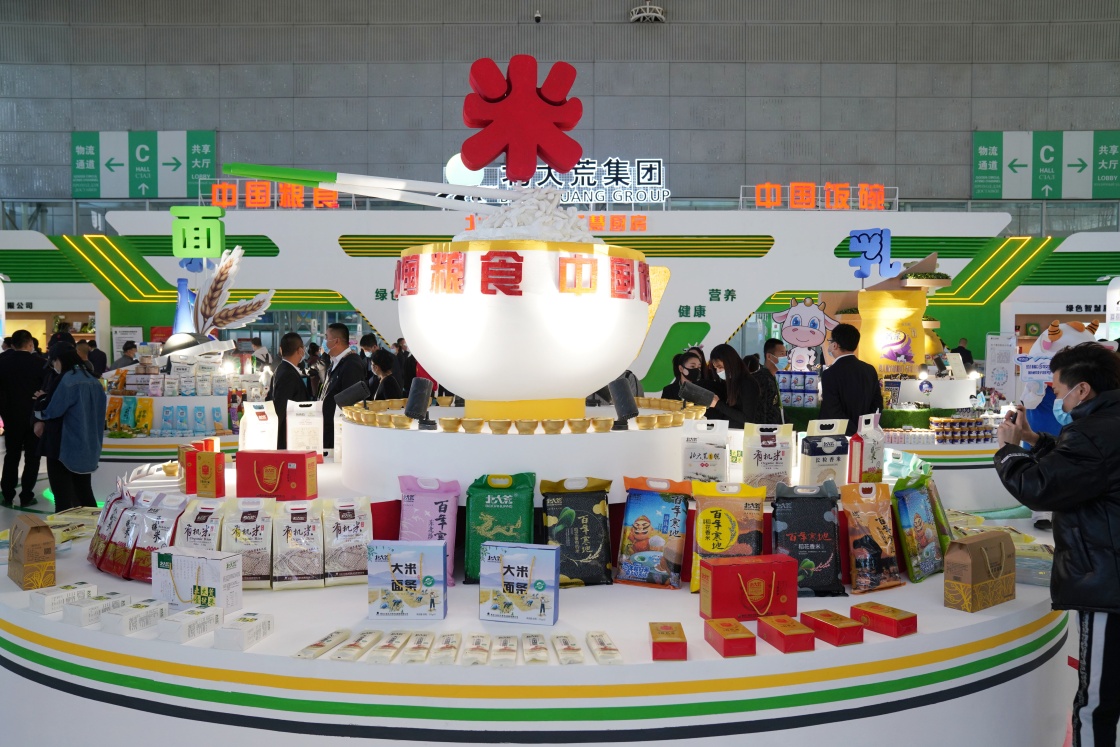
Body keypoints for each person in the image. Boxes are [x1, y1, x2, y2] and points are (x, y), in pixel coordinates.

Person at [993, 342, 1120, 747]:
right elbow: (1083, 468)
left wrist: (1008, 451)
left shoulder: (1091, 432)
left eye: (1058, 389)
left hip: (1107, 582)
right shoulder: (1105, 424)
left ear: (1082, 390)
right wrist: (1034, 439)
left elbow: (1039, 487)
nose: (1057, 399)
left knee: (1095, 702)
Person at [34, 346, 107, 511]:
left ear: (59, 360)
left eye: (53, 363)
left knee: (62, 498)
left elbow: (52, 411)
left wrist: (42, 400)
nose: (54, 367)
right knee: (84, 493)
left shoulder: (67, 380)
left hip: (64, 446)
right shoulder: (93, 379)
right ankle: (93, 526)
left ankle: (64, 527)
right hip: (88, 445)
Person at [0, 330, 45, 507]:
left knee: (12, 455)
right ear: (30, 343)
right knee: (33, 457)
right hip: (34, 417)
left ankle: (7, 494)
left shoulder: (2, 362)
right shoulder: (40, 363)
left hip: (11, 416)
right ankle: (27, 495)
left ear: (12, 345)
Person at [820, 324, 883, 436]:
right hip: (865, 434)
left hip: (840, 436)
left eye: (830, 341)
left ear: (835, 345)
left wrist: (854, 433)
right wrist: (863, 429)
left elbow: (832, 410)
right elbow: (877, 404)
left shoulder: (829, 374)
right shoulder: (869, 370)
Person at [318, 323, 366, 449]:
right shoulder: (335, 362)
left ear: (336, 341)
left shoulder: (352, 364)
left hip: (339, 434)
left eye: (327, 337)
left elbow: (351, 404)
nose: (324, 342)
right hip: (328, 429)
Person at [268, 332, 311, 450]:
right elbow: (280, 408)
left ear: (281, 350)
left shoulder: (281, 369)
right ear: (300, 350)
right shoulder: (288, 374)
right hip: (288, 439)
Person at [704, 343, 761, 428]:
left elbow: (748, 419)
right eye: (716, 368)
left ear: (730, 363)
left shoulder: (747, 383)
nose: (718, 371)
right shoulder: (730, 382)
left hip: (742, 433)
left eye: (720, 367)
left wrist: (718, 404)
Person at [754, 337, 787, 424]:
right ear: (769, 356)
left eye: (785, 354)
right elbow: (762, 411)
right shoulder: (762, 379)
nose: (785, 358)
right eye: (782, 354)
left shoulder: (771, 377)